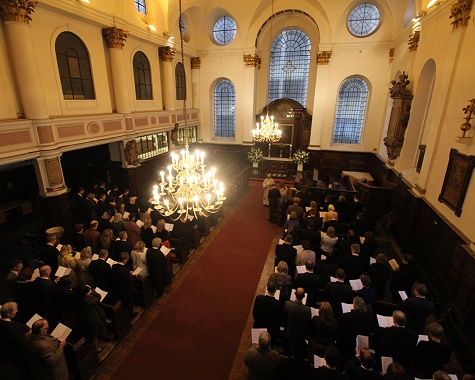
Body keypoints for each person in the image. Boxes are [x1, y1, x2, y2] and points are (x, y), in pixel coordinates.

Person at [336, 297, 376, 364]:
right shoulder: (370, 320)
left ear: (354, 306)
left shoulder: (344, 317)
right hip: (361, 352)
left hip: (344, 348)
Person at [252, 278, 284, 347]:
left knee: (255, 346)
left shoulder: (259, 298)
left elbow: (254, 313)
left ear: (267, 289)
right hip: (271, 330)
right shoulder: (279, 304)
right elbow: (279, 319)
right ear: (275, 290)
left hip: (258, 326)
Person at [76, 285, 107, 352]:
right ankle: (96, 348)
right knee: (94, 335)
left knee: (93, 335)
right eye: (88, 291)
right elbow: (98, 297)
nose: (90, 292)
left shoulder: (80, 299)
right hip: (91, 319)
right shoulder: (87, 301)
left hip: (88, 318)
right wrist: (94, 292)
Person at [283, 287, 312, 355]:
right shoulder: (307, 310)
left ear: (295, 293)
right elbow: (307, 324)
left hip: (288, 332)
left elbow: (284, 317)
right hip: (300, 335)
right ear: (304, 296)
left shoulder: (287, 304)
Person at [0, 302, 28, 370]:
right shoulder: (14, 329)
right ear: (9, 314)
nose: (17, 311)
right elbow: (23, 343)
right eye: (15, 310)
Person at [110, 252, 138, 319]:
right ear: (125, 260)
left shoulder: (114, 266)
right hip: (126, 290)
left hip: (118, 288)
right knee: (129, 303)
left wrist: (128, 272)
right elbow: (130, 281)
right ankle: (131, 315)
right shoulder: (124, 270)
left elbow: (120, 274)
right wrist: (134, 276)